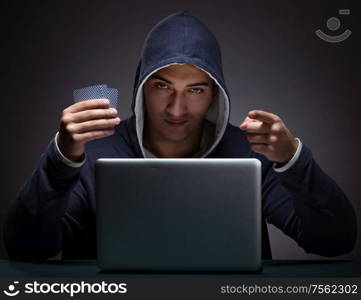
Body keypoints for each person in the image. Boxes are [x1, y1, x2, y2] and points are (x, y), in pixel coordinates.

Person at [4, 11, 356, 260]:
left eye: (196, 90)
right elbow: (27, 248)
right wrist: (61, 160)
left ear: (216, 93)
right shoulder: (92, 151)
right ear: (141, 88)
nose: (176, 109)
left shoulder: (249, 153)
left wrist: (294, 160)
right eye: (162, 86)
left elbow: (335, 240)